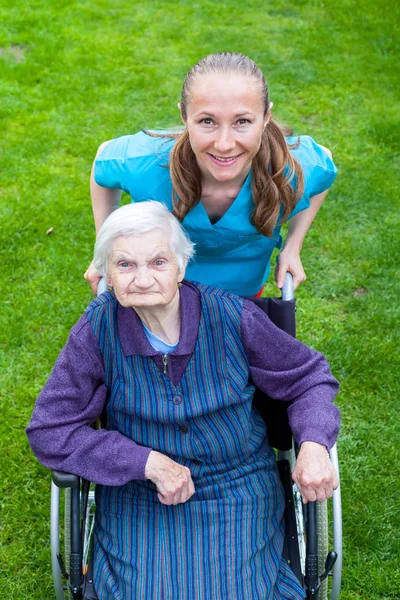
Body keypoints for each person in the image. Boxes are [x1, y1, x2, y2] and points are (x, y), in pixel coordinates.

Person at [27, 202, 340, 600]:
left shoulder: (231, 316)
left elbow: (309, 377)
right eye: (124, 265)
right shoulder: (97, 329)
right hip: (141, 492)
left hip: (236, 484)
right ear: (106, 271)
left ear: (181, 265)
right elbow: (49, 429)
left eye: (158, 262)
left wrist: (313, 444)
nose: (142, 280)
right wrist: (145, 463)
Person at [84, 52, 337, 297]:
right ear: (184, 115)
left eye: (242, 122)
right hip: (159, 286)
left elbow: (324, 167)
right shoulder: (144, 164)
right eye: (207, 121)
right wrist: (102, 250)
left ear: (266, 117)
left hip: (242, 288)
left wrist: (294, 244)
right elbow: (103, 157)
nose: (224, 144)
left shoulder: (290, 168)